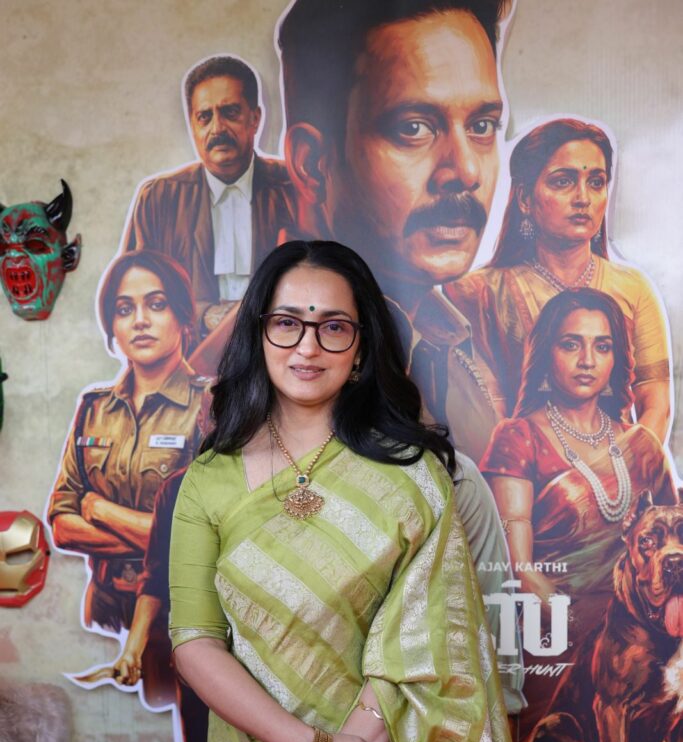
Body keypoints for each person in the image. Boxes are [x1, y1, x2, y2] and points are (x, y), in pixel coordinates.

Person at [169, 239, 554, 742]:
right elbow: (194, 642)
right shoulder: (208, 479)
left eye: (332, 327)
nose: (307, 346)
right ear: (259, 333)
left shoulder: (414, 475)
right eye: (287, 322)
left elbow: (429, 645)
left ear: (360, 348)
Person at [277, 0, 512, 461]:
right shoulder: (281, 365)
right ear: (313, 165)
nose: (466, 171)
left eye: (482, 126)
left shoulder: (456, 345)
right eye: (414, 128)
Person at [448, 118, 672, 442]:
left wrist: (623, 466)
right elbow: (485, 417)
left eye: (596, 182)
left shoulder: (633, 288)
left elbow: (656, 405)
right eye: (563, 181)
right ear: (525, 198)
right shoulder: (477, 292)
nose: (583, 198)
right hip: (514, 467)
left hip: (622, 467)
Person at [49, 250, 210, 692]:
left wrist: (99, 509)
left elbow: (197, 537)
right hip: (102, 609)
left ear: (182, 316)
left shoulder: (209, 405)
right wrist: (155, 538)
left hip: (177, 616)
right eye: (124, 309)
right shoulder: (94, 408)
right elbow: (61, 524)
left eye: (156, 304)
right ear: (112, 326)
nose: (140, 320)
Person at [480, 287, 676, 628]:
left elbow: (676, 546)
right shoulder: (519, 437)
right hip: (555, 633)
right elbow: (518, 569)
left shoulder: (642, 446)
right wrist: (585, 627)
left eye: (602, 346)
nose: (587, 360)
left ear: (615, 358)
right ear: (546, 353)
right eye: (571, 345)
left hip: (646, 632)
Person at [123, 54, 295, 339]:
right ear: (192, 125)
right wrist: (204, 315)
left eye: (230, 112)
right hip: (189, 356)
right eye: (205, 117)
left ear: (255, 119)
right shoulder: (159, 199)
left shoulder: (294, 187)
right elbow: (133, 295)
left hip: (278, 350)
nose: (217, 129)